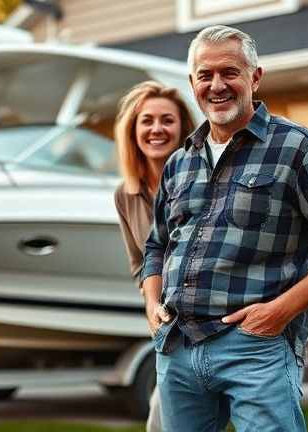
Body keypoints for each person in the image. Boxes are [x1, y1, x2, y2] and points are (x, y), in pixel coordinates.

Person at [140, 25, 308, 432]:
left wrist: (279, 312)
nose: (217, 85)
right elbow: (157, 245)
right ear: (192, 83)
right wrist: (153, 306)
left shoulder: (296, 148)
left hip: (255, 347)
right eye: (205, 75)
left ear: (255, 78)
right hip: (178, 346)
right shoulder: (180, 160)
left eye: (229, 72)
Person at [114, 81, 194, 432]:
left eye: (167, 120)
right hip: (170, 328)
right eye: (147, 121)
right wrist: (151, 303)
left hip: (222, 320)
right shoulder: (125, 195)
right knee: (161, 421)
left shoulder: (201, 177)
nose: (157, 129)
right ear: (133, 131)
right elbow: (139, 262)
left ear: (183, 128)